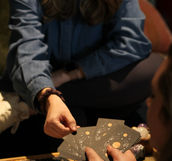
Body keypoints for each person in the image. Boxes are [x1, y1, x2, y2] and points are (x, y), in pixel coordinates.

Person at [1, 0, 163, 140]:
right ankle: (41, 99)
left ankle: (27, 105)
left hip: (90, 78)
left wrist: (70, 74)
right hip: (43, 76)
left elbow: (133, 42)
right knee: (72, 120)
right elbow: (27, 48)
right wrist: (48, 94)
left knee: (154, 68)